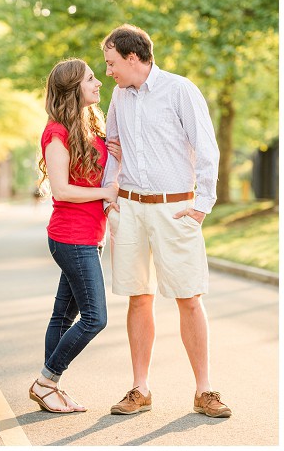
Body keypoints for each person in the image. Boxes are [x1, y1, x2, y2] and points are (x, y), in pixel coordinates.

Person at [100, 24, 231, 418]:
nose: (108, 72)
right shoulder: (119, 96)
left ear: (133, 57)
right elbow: (112, 148)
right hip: (130, 209)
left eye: (111, 63)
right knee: (139, 297)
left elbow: (207, 148)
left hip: (175, 209)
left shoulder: (180, 90)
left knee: (189, 297)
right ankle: (140, 389)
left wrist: (202, 204)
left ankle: (204, 391)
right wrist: (110, 198)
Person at [29, 58, 119, 413]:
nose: (99, 83)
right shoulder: (57, 132)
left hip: (88, 236)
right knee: (95, 317)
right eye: (91, 79)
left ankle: (51, 387)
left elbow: (98, 176)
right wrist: (105, 193)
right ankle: (46, 381)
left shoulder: (87, 126)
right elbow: (62, 191)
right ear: (73, 89)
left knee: (63, 317)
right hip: (71, 237)